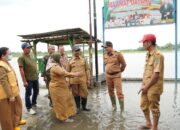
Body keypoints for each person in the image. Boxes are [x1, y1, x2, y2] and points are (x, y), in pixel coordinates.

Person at [138, 34, 164, 130]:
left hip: (154, 86)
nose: (142, 45)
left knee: (154, 107)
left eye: (144, 43)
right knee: (143, 105)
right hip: (146, 85)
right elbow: (146, 71)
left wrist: (147, 86)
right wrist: (143, 84)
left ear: (149, 43)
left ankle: (155, 127)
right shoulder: (148, 54)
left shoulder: (158, 55)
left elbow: (156, 75)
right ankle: (149, 124)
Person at [0, 47, 26, 130]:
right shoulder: (1, 66)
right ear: (3, 55)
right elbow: (4, 82)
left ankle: (15, 123)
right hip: (5, 94)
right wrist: (10, 95)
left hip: (14, 91)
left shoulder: (7, 63)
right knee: (6, 114)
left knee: (17, 107)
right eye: (9, 54)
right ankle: (9, 128)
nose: (11, 55)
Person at [49, 53, 80, 122]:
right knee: (60, 103)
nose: (62, 59)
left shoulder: (59, 66)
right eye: (60, 58)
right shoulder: (55, 67)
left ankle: (69, 113)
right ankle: (63, 118)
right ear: (57, 59)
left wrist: (71, 76)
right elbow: (64, 73)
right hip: (56, 88)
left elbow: (65, 73)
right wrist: (75, 74)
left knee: (67, 99)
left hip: (62, 86)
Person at [101, 41, 126, 114]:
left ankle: (122, 111)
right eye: (104, 48)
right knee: (110, 91)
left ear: (110, 47)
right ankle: (114, 107)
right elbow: (106, 64)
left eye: (106, 47)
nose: (105, 49)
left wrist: (119, 71)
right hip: (108, 76)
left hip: (116, 75)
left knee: (119, 93)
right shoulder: (104, 55)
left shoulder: (118, 54)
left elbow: (124, 64)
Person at [67, 45, 91, 114]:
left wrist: (88, 79)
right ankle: (78, 108)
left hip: (83, 80)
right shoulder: (70, 61)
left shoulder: (84, 59)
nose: (78, 52)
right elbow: (67, 73)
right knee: (75, 94)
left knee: (85, 93)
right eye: (76, 50)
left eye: (78, 50)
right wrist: (68, 81)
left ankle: (84, 107)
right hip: (74, 81)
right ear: (73, 52)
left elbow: (87, 70)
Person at [18, 43, 40, 115]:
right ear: (23, 49)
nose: (29, 49)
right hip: (28, 79)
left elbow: (34, 66)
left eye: (30, 47)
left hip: (35, 77)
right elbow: (21, 70)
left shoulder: (31, 55)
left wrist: (37, 74)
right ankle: (29, 108)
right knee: (28, 94)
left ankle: (34, 103)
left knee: (36, 91)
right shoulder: (21, 58)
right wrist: (24, 81)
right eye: (28, 48)